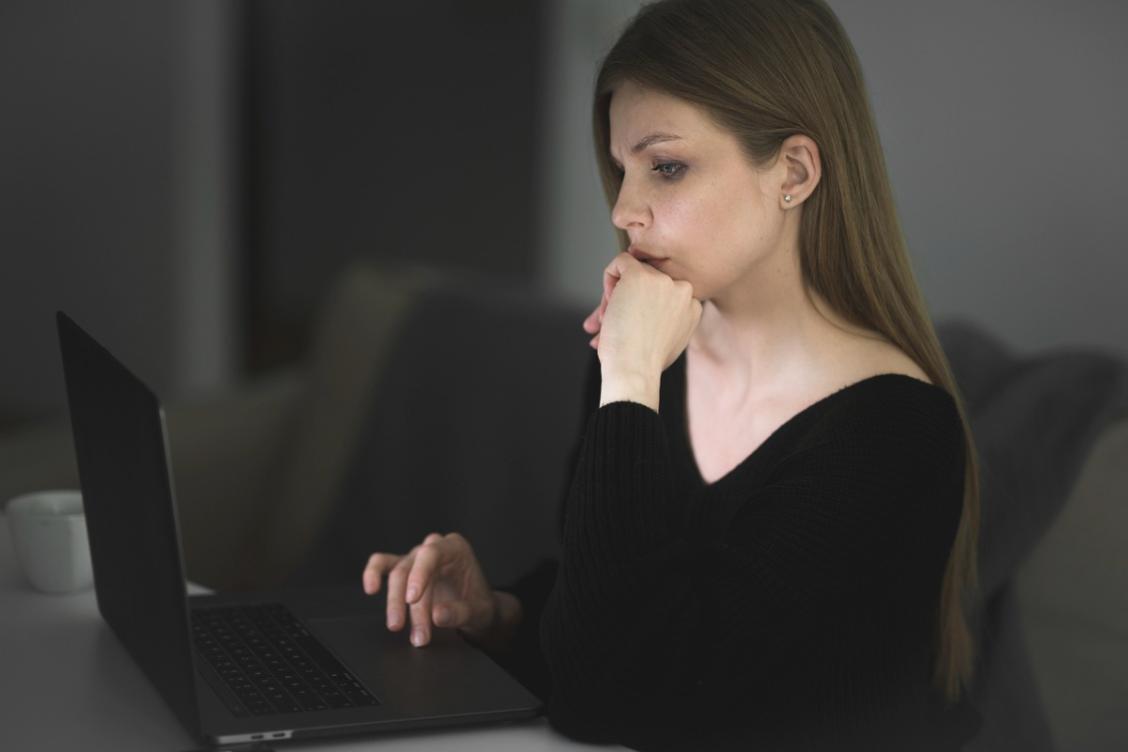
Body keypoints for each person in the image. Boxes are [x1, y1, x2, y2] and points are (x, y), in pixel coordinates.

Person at [360, 0, 983, 748]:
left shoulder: (894, 436)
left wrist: (629, 380)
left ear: (793, 171)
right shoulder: (652, 351)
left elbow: (612, 696)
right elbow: (618, 603)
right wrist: (499, 616)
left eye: (667, 167)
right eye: (624, 171)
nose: (625, 210)